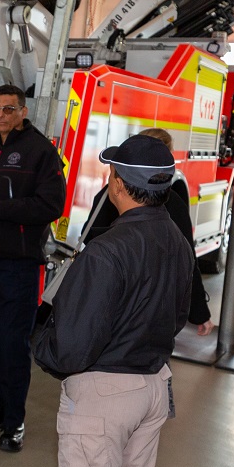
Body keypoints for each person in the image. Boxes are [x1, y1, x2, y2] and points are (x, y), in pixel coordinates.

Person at [22, 134, 193, 467]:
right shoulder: (178, 243)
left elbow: (71, 344)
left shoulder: (108, 250)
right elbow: (179, 317)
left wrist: (41, 346)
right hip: (152, 387)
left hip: (104, 395)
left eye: (110, 175)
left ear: (120, 184)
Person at [0, 83, 66, 453]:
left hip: (19, 266)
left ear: (23, 111)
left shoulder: (42, 152)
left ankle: (15, 421)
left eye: (9, 109)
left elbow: (51, 205)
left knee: (12, 342)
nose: (1, 115)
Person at [80, 127, 214, 335]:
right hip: (152, 319)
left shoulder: (109, 194)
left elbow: (88, 237)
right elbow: (187, 261)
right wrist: (199, 312)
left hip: (107, 311)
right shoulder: (174, 204)